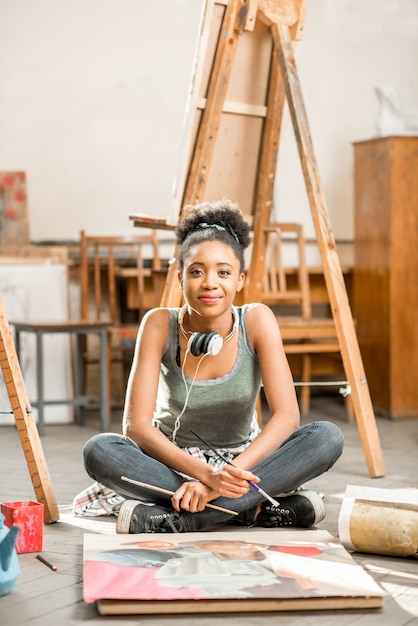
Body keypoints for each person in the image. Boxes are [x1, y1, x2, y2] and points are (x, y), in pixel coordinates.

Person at [82, 198, 344, 534]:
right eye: (196, 271)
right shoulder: (159, 324)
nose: (209, 282)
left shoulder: (257, 319)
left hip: (244, 463)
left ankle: (187, 519)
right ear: (180, 279)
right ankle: (249, 511)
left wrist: (223, 478)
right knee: (100, 451)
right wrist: (207, 476)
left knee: (326, 437)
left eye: (223, 272)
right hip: (171, 465)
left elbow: (286, 417)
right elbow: (136, 428)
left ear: (239, 281)